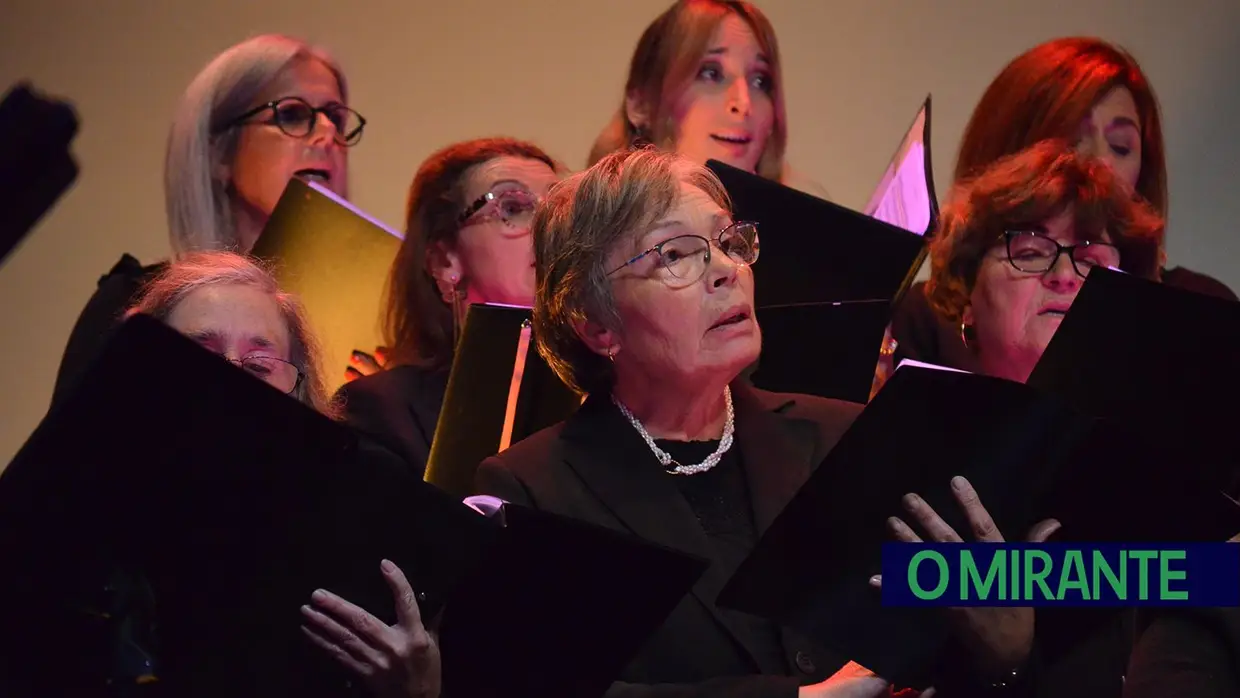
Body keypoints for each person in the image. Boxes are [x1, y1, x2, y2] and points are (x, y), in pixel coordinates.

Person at [472, 146, 1035, 696]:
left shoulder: (849, 436)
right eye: (673, 254)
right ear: (596, 324)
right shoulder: (533, 490)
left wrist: (1004, 655)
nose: (724, 270)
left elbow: (938, 660)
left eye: (726, 241)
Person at [57, 252, 438, 698]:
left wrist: (419, 691)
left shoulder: (347, 558)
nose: (230, 380)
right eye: (200, 356)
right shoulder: (71, 538)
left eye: (258, 366)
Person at [875, 140, 1163, 698]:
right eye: (1030, 251)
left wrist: (1013, 660)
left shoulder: (1177, 472)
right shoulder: (897, 460)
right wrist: (999, 666)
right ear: (964, 296)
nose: (1064, 274)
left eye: (1092, 258)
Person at [52, 33, 362, 408]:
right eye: (293, 114)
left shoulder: (377, 339)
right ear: (219, 154)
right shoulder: (134, 302)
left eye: (336, 117)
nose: (328, 134)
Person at [890, 36, 1226, 375]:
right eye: (1031, 253)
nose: (1099, 163)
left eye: (1121, 147)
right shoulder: (923, 321)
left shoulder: (1204, 313)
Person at [337, 137, 561, 476]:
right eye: (513, 208)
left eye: (562, 209)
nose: (548, 225)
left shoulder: (616, 401)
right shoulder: (383, 412)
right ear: (445, 260)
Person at [589, 0, 828, 197]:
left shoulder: (811, 244)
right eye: (711, 73)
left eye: (760, 81)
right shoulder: (589, 242)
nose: (743, 103)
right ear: (640, 105)